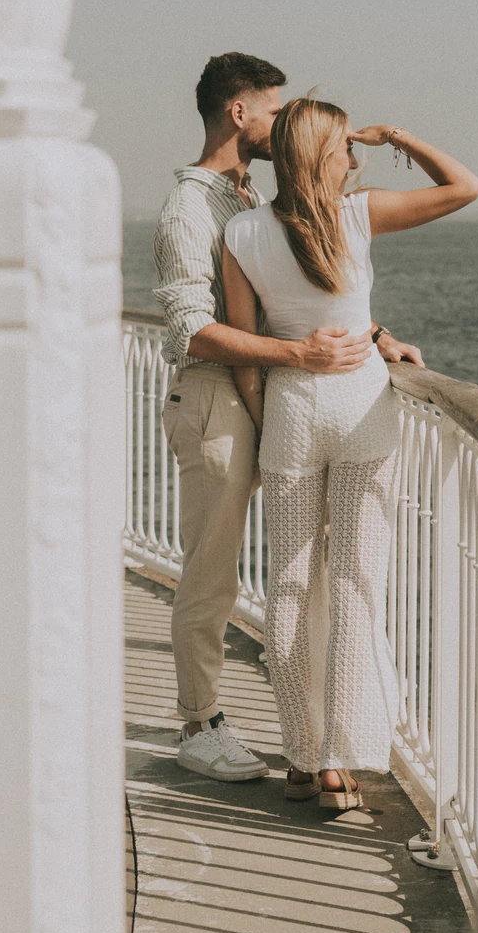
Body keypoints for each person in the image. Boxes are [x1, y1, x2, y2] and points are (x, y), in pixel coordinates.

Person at [154, 54, 426, 783]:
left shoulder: (244, 202)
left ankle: (307, 748)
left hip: (262, 392)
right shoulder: (191, 208)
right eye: (272, 111)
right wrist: (297, 355)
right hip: (217, 396)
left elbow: (299, 288)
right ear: (237, 113)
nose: (282, 124)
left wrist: (372, 336)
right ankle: (198, 723)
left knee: (277, 576)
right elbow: (189, 328)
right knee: (211, 573)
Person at [221, 97, 478, 808]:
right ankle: (342, 756)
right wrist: (398, 133)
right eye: (345, 148)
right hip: (364, 414)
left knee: (290, 585)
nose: (354, 158)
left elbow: (249, 350)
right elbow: (465, 187)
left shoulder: (242, 232)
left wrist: (267, 412)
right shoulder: (357, 216)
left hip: (293, 413)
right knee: (355, 586)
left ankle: (304, 757)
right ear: (321, 157)